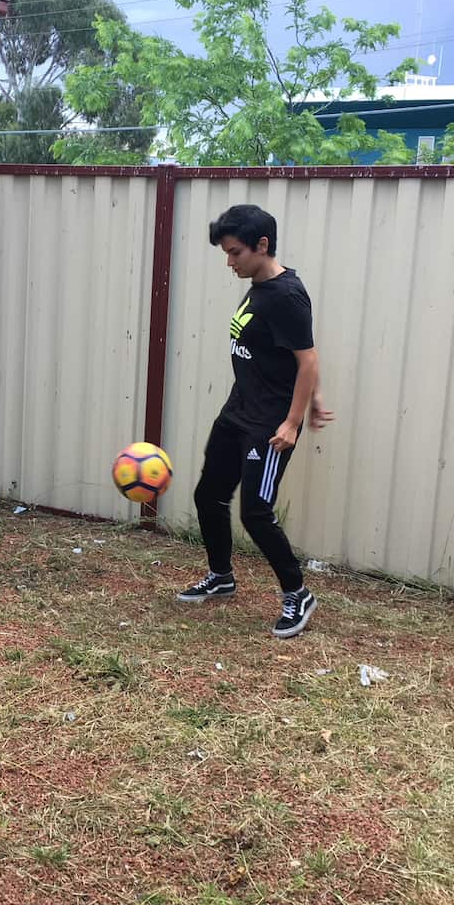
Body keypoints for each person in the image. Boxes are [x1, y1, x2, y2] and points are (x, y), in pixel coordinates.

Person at [176, 204, 334, 638]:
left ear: (262, 246)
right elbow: (292, 355)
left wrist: (293, 421)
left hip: (269, 425)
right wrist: (315, 395)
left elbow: (309, 358)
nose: (229, 262)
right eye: (226, 254)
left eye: (235, 253)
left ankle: (297, 594)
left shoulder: (286, 295)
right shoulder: (260, 285)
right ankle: (221, 576)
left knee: (256, 512)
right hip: (238, 411)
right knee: (209, 495)